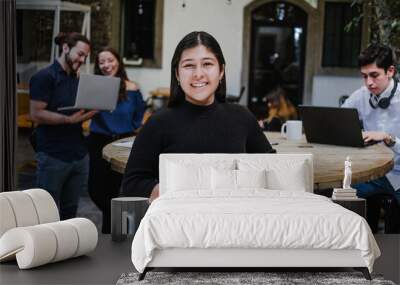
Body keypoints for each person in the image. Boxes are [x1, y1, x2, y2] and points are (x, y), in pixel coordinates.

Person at [122, 31, 275, 201]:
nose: (198, 74)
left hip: (234, 219)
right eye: (189, 65)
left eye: (207, 64)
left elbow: (273, 170)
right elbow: (131, 185)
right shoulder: (158, 123)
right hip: (180, 222)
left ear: (221, 71)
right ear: (177, 74)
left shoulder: (242, 117)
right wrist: (180, 191)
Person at [29, 32, 97, 220]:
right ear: (65, 48)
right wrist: (68, 120)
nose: (82, 60)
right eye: (80, 54)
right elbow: (36, 113)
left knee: (70, 212)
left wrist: (95, 108)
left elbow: (76, 112)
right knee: (45, 213)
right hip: (53, 155)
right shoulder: (44, 77)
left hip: (78, 154)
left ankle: (68, 248)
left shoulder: (76, 79)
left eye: (85, 56)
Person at [342, 43, 400, 232]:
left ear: (390, 71)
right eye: (364, 76)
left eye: (374, 75)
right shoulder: (361, 96)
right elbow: (338, 122)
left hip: (399, 173)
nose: (368, 83)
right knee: (339, 197)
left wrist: (388, 138)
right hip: (374, 174)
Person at [87, 47, 145, 233]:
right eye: (101, 62)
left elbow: (138, 114)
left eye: (110, 60)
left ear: (118, 61)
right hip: (98, 140)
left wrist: (132, 129)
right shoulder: (94, 87)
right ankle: (115, 217)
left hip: (122, 143)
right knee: (95, 190)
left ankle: (108, 233)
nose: (106, 65)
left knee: (114, 190)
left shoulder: (132, 88)